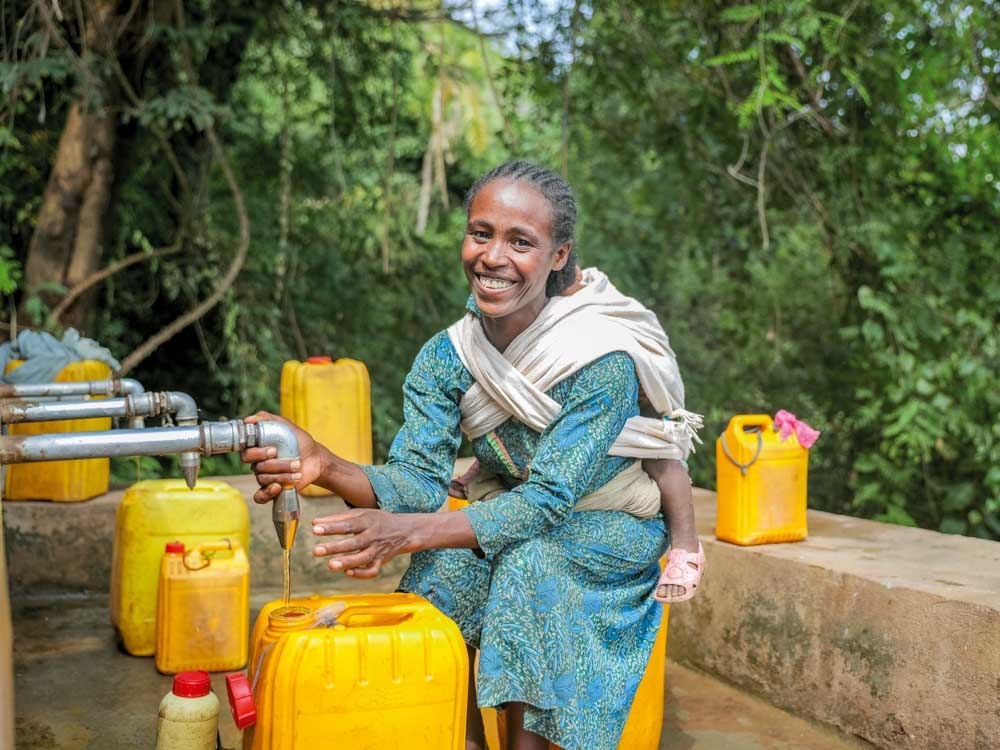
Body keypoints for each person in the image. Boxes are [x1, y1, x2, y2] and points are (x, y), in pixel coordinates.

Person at [243, 161, 698, 750]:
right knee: (440, 572)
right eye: (481, 233)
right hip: (508, 517)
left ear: (558, 256)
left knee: (529, 568)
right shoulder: (449, 357)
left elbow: (547, 502)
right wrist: (326, 465)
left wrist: (407, 531)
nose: (492, 257)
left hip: (609, 527)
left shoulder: (599, 361)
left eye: (521, 242)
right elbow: (420, 483)